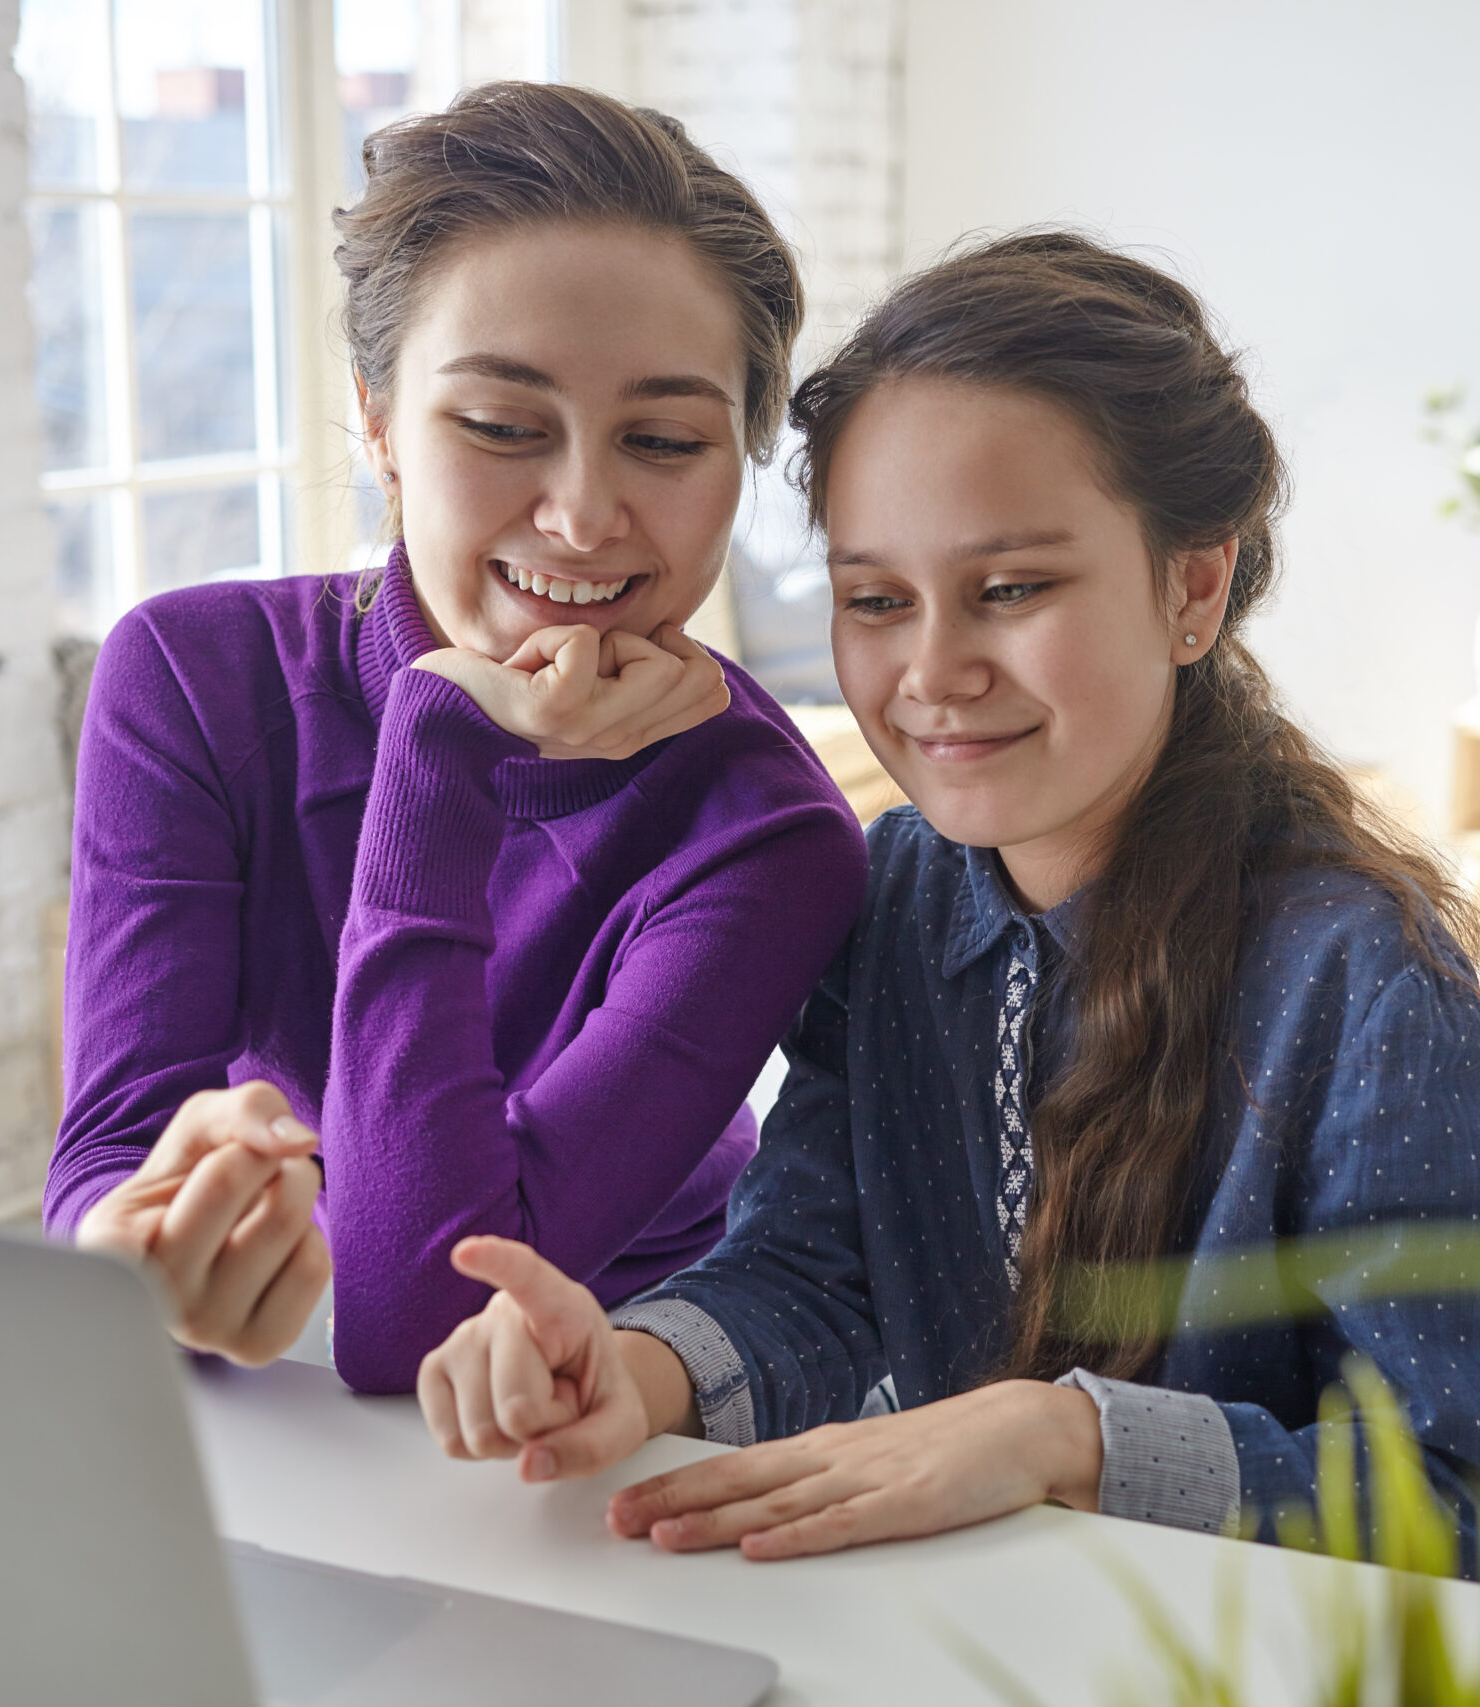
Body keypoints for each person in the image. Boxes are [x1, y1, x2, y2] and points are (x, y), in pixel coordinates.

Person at [413, 231, 1480, 1622]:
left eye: (1012, 589)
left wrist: (1068, 1438)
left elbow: (1462, 1506)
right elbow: (813, 1267)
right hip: (1122, 1627)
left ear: (1192, 589)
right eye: (875, 600)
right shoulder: (896, 895)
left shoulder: (1360, 978)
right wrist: (635, 1371)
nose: (930, 673)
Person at [42, 83, 867, 1395]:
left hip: (610, 1420)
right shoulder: (193, 682)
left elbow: (423, 1315)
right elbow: (110, 1151)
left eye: (662, 439)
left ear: (742, 456)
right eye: (501, 427)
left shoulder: (771, 832)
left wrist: (439, 763)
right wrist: (133, 1244)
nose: (585, 515)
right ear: (376, 420)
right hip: (276, 1407)